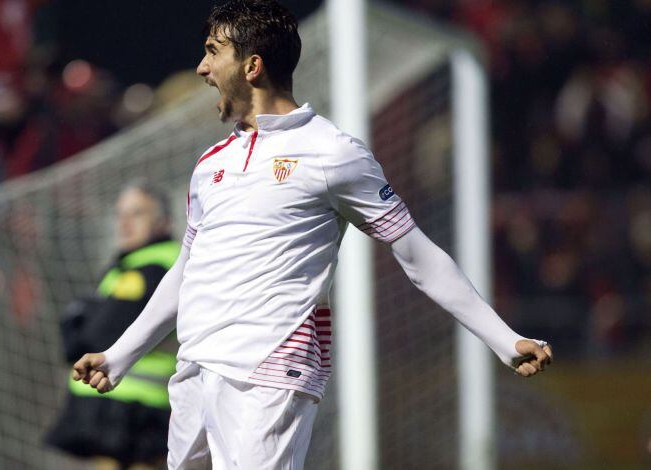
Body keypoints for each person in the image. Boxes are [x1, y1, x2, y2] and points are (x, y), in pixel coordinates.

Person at [72, 1, 553, 468]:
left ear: (252, 66)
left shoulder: (331, 153)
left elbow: (417, 255)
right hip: (197, 366)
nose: (201, 68)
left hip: (270, 368)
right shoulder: (210, 164)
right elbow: (186, 270)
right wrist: (120, 356)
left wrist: (503, 339)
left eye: (213, 51)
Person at [46, 181, 181, 469]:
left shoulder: (151, 268)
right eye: (120, 215)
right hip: (126, 404)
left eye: (137, 214)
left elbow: (99, 333)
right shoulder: (134, 263)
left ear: (163, 221)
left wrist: (77, 322)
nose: (125, 223)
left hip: (130, 408)